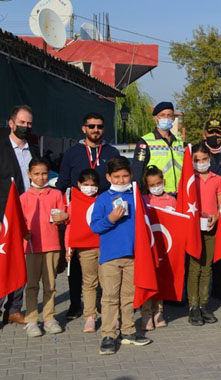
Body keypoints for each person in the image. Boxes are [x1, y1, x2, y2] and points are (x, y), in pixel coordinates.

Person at [56, 112, 121, 321]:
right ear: (84, 128)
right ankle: (76, 304)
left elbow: (119, 180)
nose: (95, 130)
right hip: (78, 212)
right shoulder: (72, 152)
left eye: (99, 126)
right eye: (91, 126)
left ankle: (103, 303)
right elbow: (63, 181)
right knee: (76, 263)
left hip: (104, 213)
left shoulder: (111, 151)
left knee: (103, 260)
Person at [90, 156, 152, 355]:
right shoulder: (102, 199)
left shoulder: (136, 197)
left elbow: (146, 222)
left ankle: (128, 331)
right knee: (109, 297)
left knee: (128, 296)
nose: (121, 180)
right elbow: (95, 226)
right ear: (108, 176)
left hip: (133, 256)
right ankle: (108, 334)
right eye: (116, 177)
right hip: (110, 257)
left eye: (125, 176)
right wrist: (111, 218)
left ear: (131, 176)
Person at [0, 105, 40, 327]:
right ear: (11, 123)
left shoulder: (33, 150)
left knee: (21, 263)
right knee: (3, 263)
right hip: (5, 216)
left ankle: (14, 309)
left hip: (29, 215)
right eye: (22, 123)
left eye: (29, 123)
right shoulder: (1, 149)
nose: (26, 127)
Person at [20, 157, 68, 337]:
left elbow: (64, 214)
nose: (41, 177)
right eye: (37, 174)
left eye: (44, 174)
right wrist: (23, 233)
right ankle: (31, 320)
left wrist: (64, 215)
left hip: (52, 245)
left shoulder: (56, 194)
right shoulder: (23, 198)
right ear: (29, 174)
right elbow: (19, 223)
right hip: (31, 248)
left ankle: (49, 318)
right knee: (32, 285)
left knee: (50, 284)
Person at [186, 144, 221, 326]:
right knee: (194, 268)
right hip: (193, 229)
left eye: (204, 159)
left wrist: (216, 216)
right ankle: (193, 306)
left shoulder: (217, 179)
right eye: (197, 160)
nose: (201, 163)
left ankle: (204, 305)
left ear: (209, 158)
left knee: (207, 268)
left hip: (210, 228)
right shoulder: (190, 179)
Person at [66, 169, 102, 333]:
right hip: (84, 249)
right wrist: (69, 246)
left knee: (107, 283)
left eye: (93, 185)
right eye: (86, 185)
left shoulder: (103, 200)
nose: (89, 188)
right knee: (89, 283)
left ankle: (112, 316)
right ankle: (90, 316)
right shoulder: (74, 203)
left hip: (104, 246)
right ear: (79, 185)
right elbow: (70, 226)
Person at [140, 166, 175, 331]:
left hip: (166, 247)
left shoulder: (172, 200)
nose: (156, 187)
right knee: (148, 280)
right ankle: (146, 313)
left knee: (161, 279)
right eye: (152, 185)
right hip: (148, 248)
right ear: (147, 186)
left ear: (164, 182)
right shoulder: (143, 200)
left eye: (159, 183)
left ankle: (158, 311)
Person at [202, 119, 221, 301]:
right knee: (201, 253)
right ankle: (197, 291)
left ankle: (218, 287)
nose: (215, 136)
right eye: (211, 132)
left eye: (218, 133)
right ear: (204, 134)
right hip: (202, 208)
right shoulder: (197, 153)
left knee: (220, 252)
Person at [132, 102, 184, 193]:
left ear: (173, 118)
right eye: (163, 115)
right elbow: (137, 172)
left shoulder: (180, 142)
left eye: (169, 115)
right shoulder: (145, 142)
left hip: (180, 194)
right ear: (155, 118)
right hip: (156, 195)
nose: (166, 118)